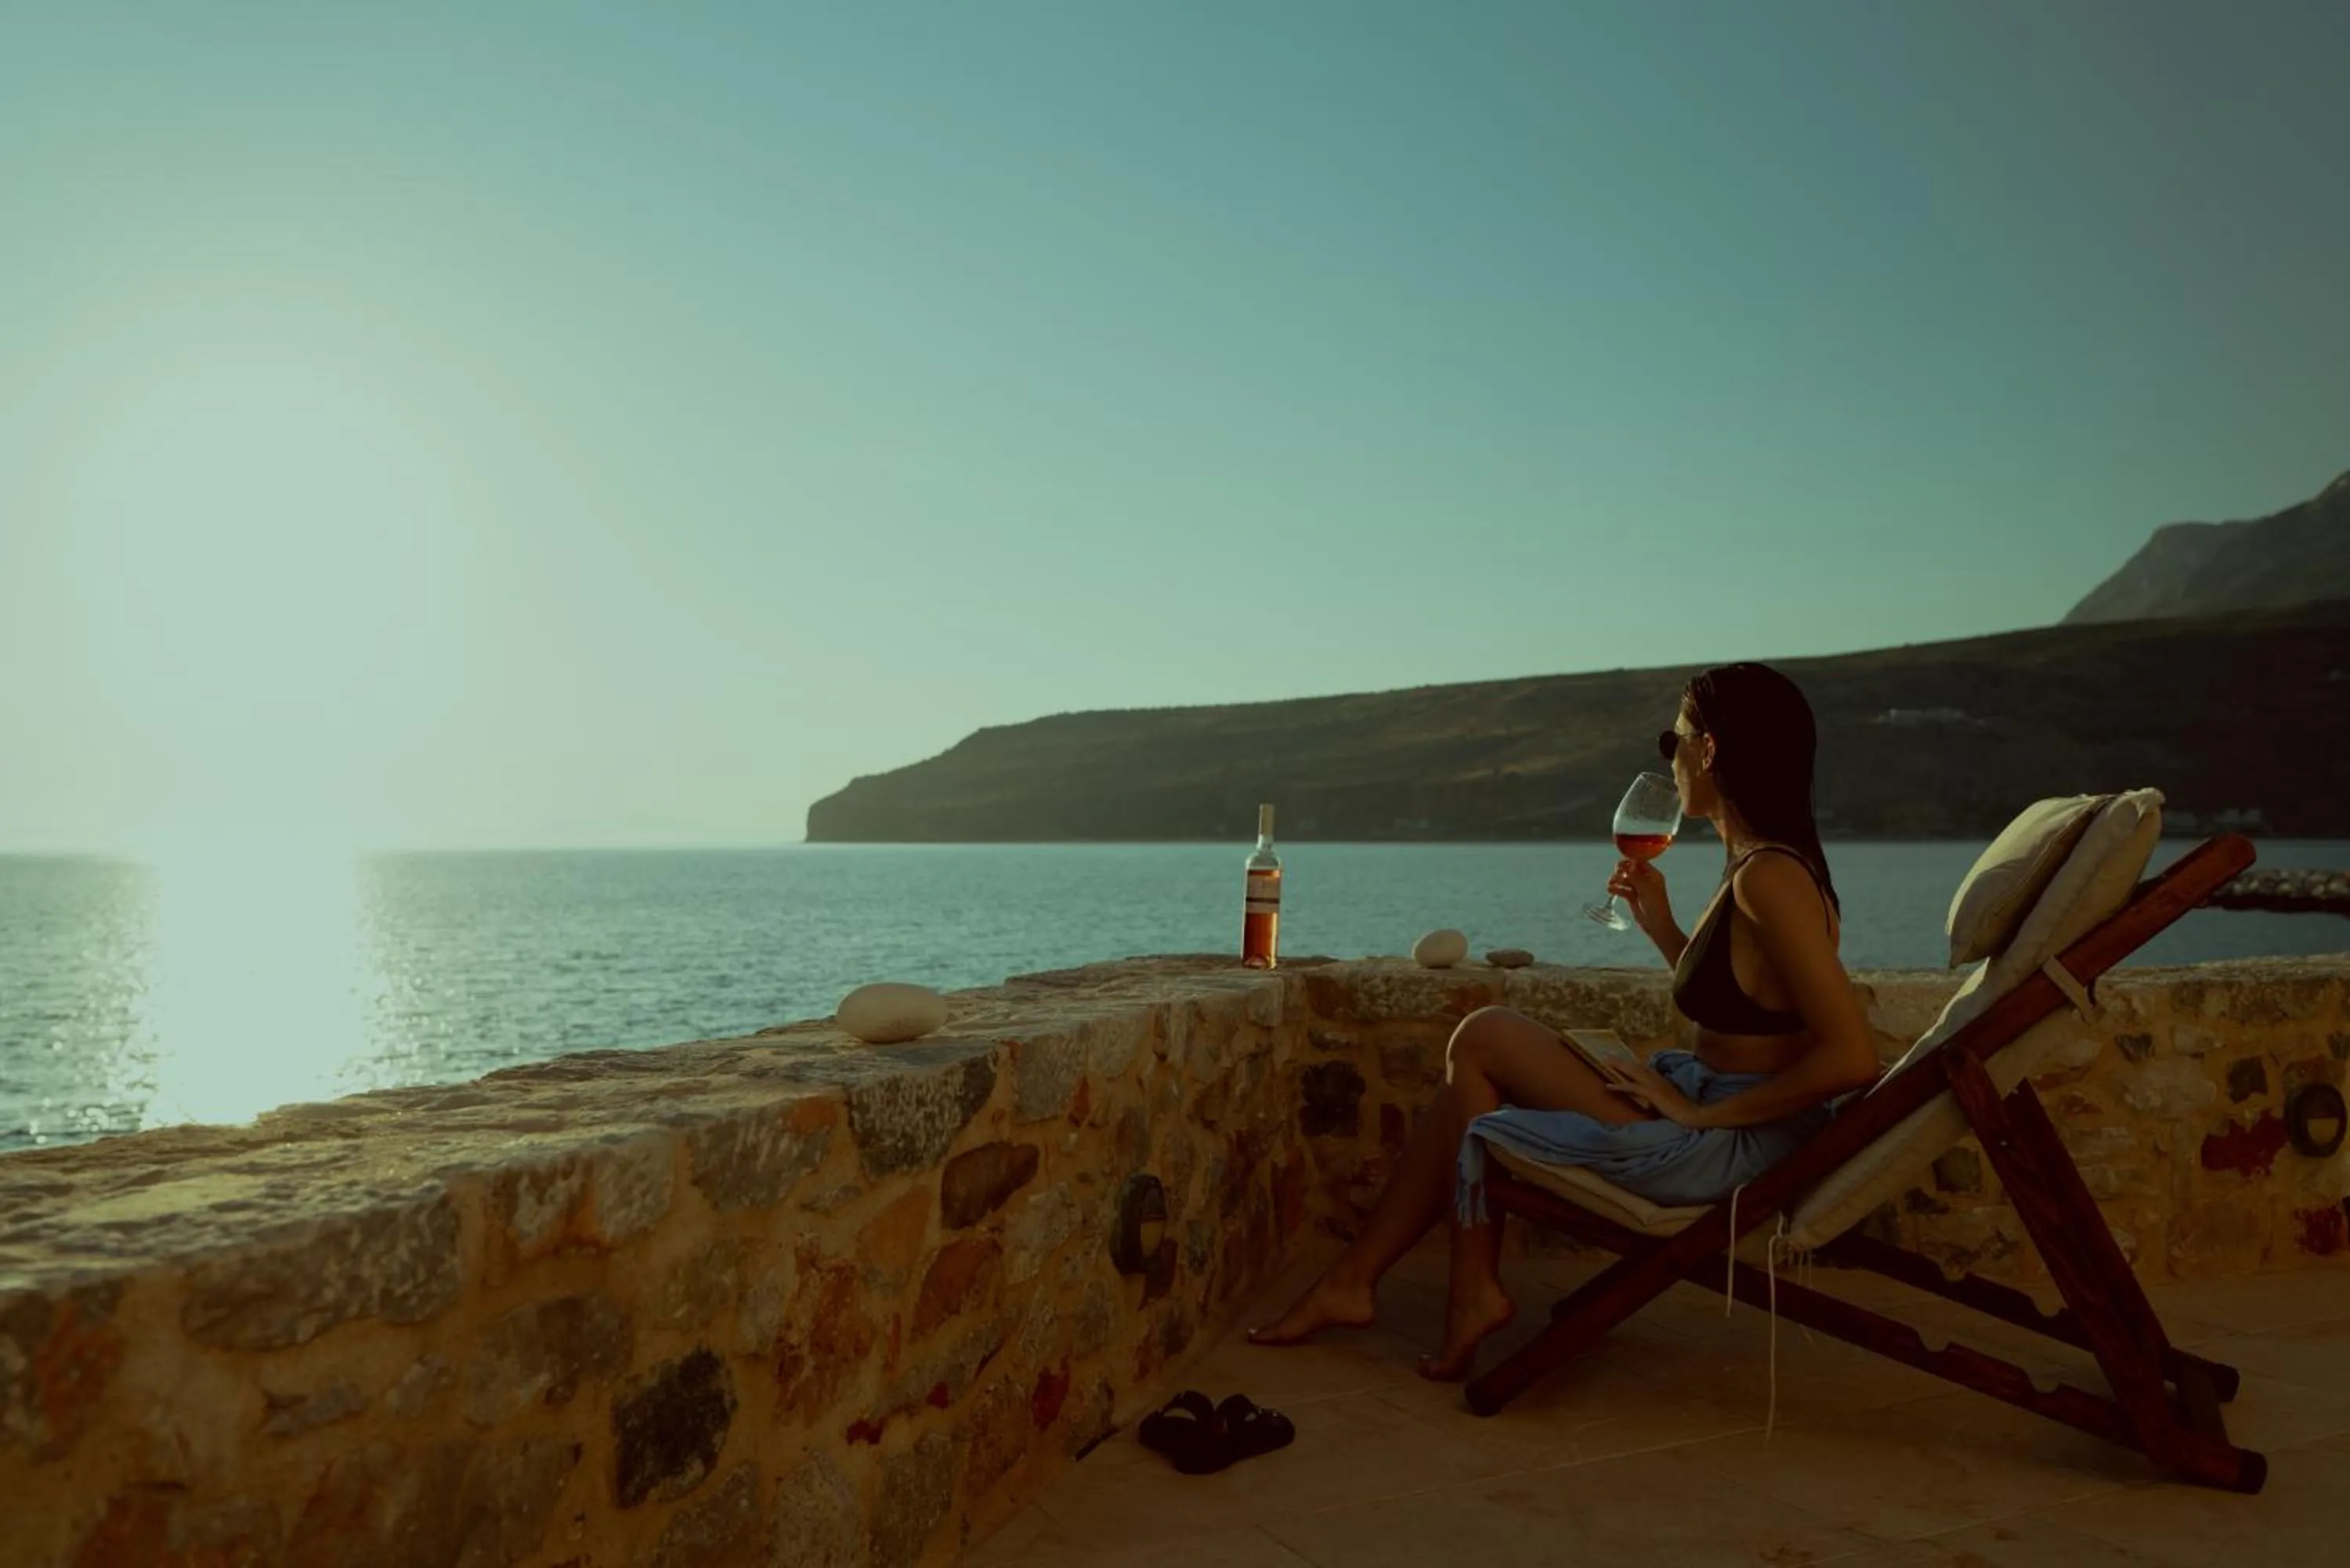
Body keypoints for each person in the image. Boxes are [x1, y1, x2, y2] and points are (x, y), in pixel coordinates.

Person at [1248, 661, 1882, 1379]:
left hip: (1731, 1142)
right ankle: (1390, 1286)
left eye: (1672, 743)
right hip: (1713, 1109)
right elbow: (1752, 1005)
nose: (1670, 763)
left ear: (1708, 751)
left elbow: (1851, 1058)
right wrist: (1666, 932)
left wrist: (1701, 1119)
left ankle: (1417, 1289)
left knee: (1483, 1043)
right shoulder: (1758, 865)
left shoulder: (1772, 876)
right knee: (1478, 1057)